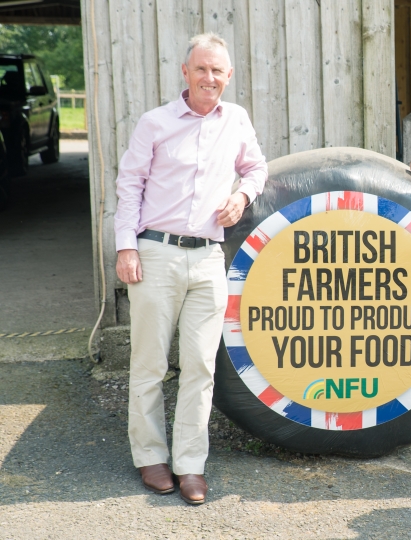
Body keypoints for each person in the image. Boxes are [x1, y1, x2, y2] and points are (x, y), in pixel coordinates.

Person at [114, 33, 267, 505]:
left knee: (201, 365)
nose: (209, 78)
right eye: (201, 69)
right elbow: (129, 185)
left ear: (229, 76)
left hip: (207, 258)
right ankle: (151, 457)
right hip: (155, 253)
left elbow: (257, 168)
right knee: (150, 363)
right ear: (185, 72)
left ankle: (190, 465)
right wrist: (126, 248)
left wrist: (241, 196)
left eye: (217, 71)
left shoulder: (236, 120)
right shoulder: (155, 123)